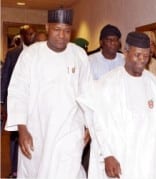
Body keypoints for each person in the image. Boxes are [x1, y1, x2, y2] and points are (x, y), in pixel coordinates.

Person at [4, 8, 91, 178]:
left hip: (70, 128)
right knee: (37, 171)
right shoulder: (31, 55)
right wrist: (22, 129)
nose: (62, 35)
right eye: (57, 30)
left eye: (67, 31)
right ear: (47, 27)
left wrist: (89, 126)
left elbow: (87, 92)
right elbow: (18, 91)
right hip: (37, 129)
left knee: (70, 171)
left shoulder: (79, 55)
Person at [77, 31, 156, 178]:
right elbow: (99, 122)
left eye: (146, 56)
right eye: (137, 55)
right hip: (118, 157)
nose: (141, 60)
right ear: (126, 52)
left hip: (146, 162)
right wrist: (107, 155)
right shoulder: (107, 84)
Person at [1, 24, 36, 178]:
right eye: (29, 34)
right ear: (22, 37)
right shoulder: (13, 54)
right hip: (15, 101)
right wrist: (1, 102)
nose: (32, 37)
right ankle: (15, 170)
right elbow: (5, 78)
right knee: (15, 137)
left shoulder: (40, 53)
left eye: (33, 34)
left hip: (34, 102)